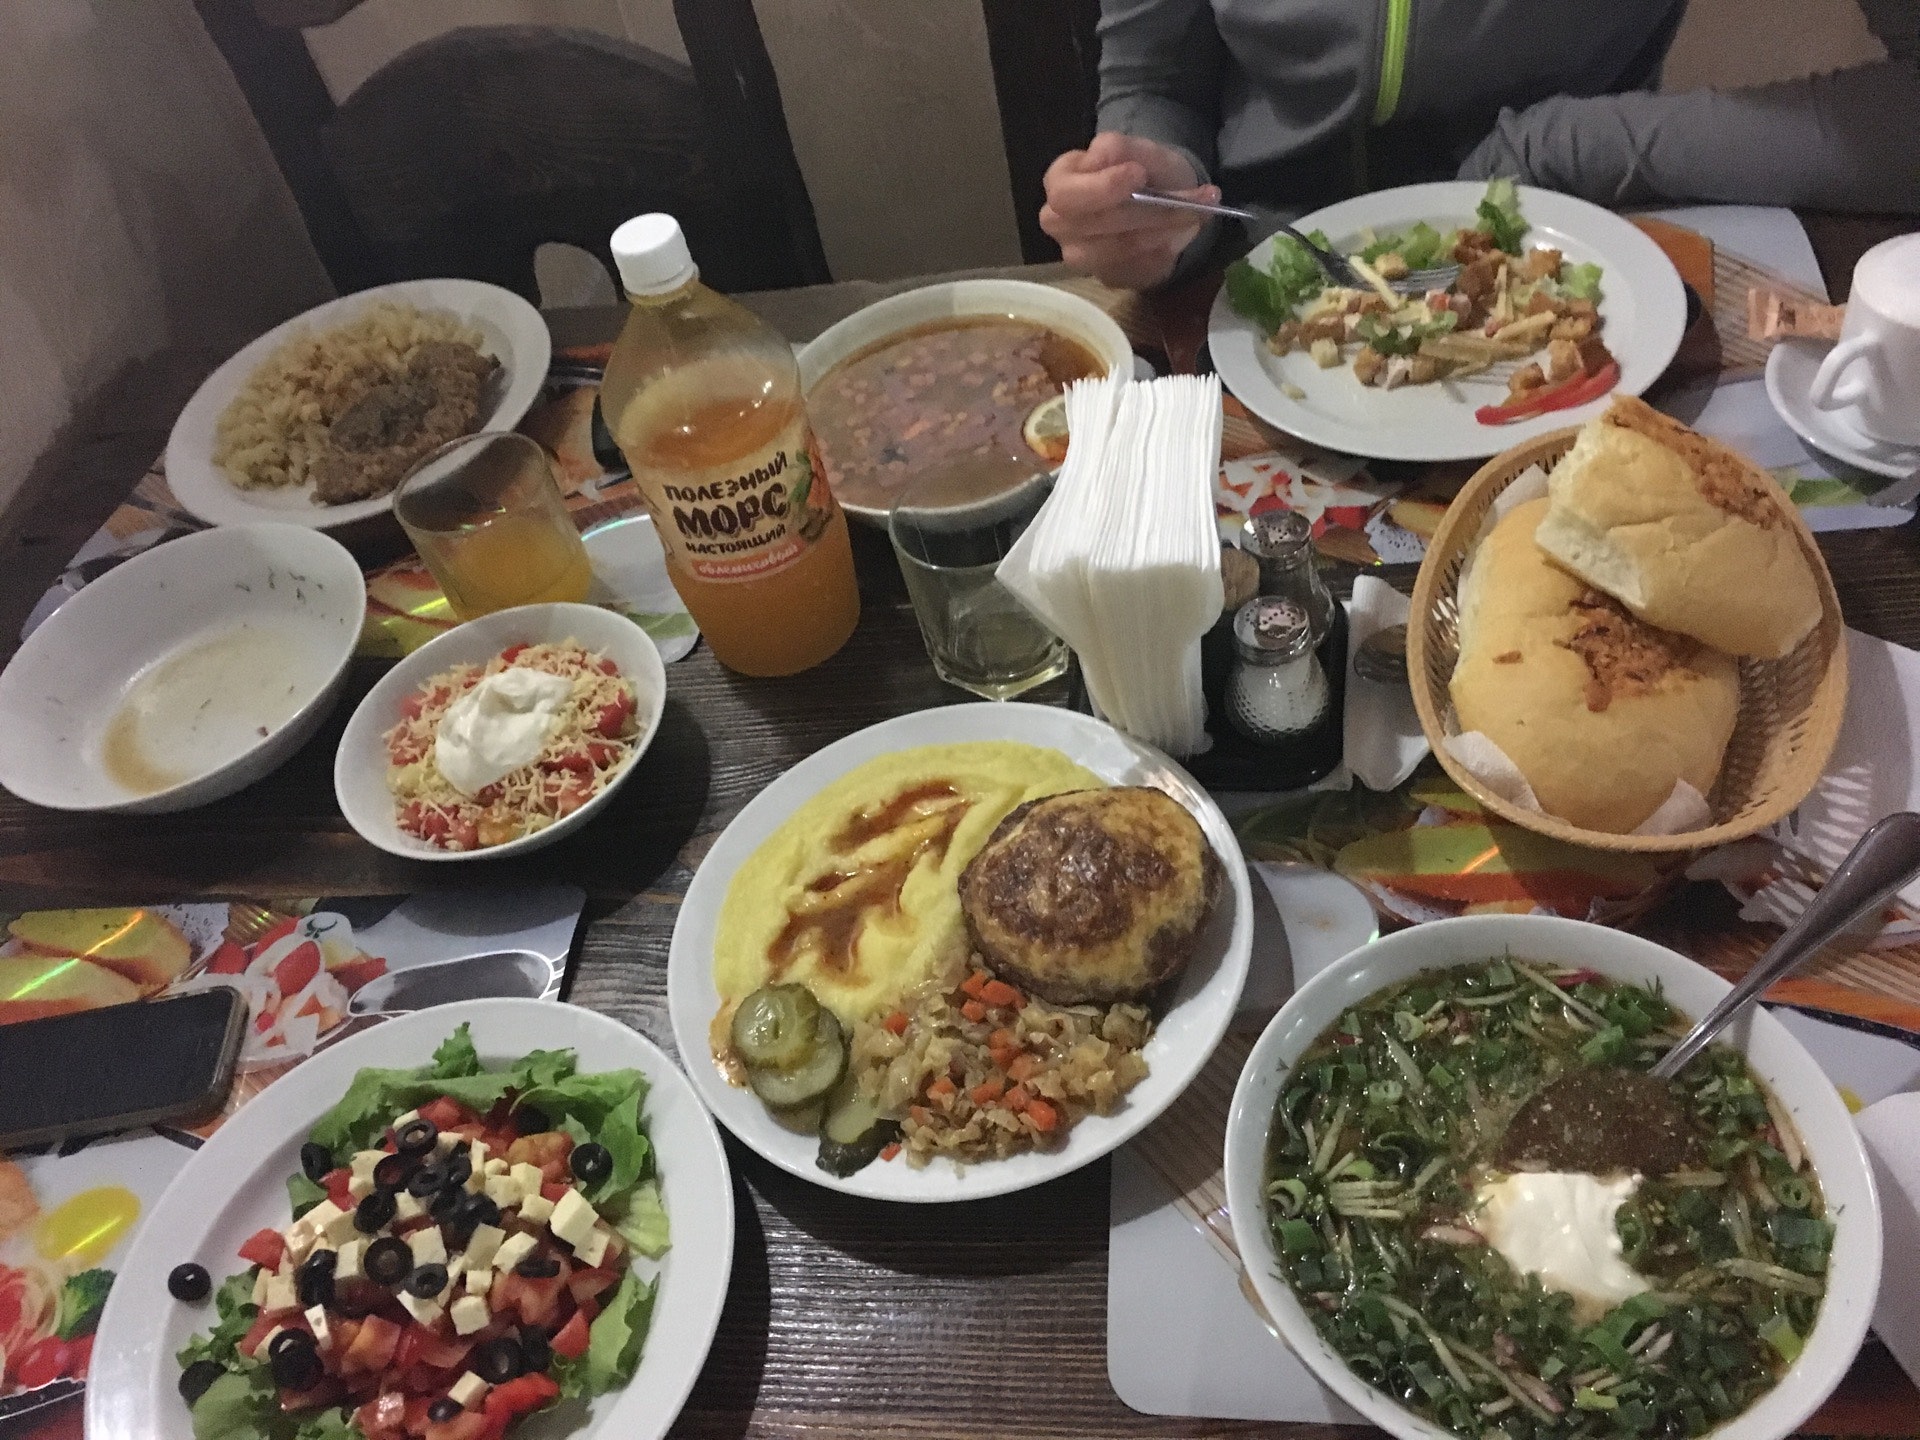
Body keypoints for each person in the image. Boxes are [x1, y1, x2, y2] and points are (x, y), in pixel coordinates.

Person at [1042, 0, 1920, 289]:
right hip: (1245, 285)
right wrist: (1157, 186)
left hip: (1563, 262)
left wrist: (1555, 147)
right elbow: (1157, 80)